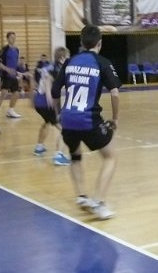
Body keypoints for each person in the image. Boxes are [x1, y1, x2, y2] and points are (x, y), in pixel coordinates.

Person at [51, 25, 121, 220]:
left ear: (81, 42)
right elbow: (115, 93)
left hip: (68, 119)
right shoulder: (102, 62)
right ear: (100, 43)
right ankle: (99, 202)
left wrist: (59, 114)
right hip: (88, 119)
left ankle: (82, 196)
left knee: (75, 155)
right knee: (110, 157)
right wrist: (115, 118)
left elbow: (55, 92)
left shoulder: (70, 62)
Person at [32, 46, 71, 166]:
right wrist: (49, 95)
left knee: (47, 122)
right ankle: (59, 156)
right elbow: (48, 80)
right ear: (62, 58)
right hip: (46, 103)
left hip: (39, 101)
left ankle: (39, 147)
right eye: (67, 57)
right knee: (65, 129)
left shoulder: (51, 66)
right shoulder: (56, 69)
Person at [0, 31, 23, 119]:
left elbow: (15, 62)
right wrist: (7, 69)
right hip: (6, 75)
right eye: (11, 37)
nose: (13, 39)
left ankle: (10, 111)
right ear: (7, 39)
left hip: (13, 76)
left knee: (16, 93)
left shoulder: (17, 50)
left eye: (14, 37)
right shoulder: (3, 49)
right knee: (3, 93)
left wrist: (18, 69)